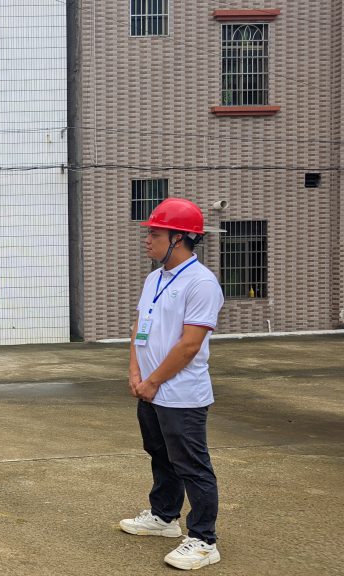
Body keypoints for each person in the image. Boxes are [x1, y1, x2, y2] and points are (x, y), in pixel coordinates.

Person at [121, 197, 225, 570]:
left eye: (155, 233)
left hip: (181, 394)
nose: (147, 239)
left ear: (178, 238)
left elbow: (189, 345)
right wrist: (135, 374)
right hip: (150, 389)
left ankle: (204, 540)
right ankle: (164, 517)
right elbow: (139, 328)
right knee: (160, 454)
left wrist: (152, 382)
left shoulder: (201, 283)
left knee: (191, 464)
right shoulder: (155, 278)